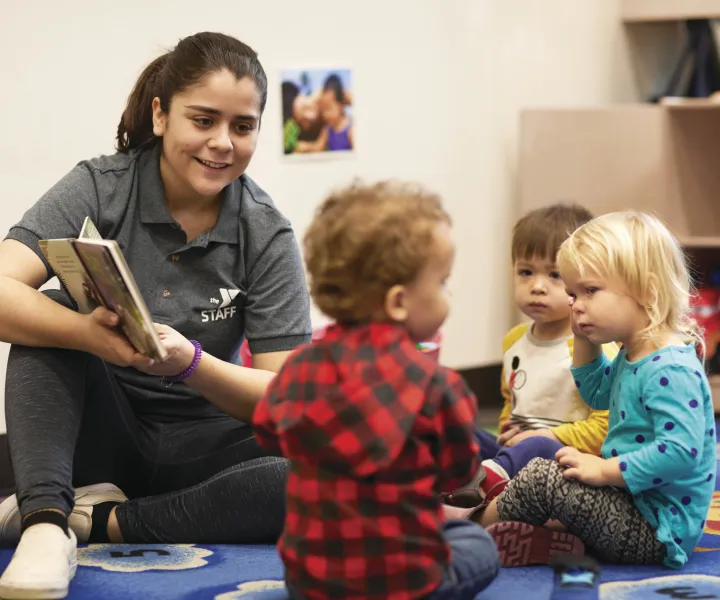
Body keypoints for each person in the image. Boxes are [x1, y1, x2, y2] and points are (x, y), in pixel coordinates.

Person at [0, 31, 311, 599]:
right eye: (203, 120)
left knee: (315, 475)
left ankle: (97, 521)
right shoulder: (100, 185)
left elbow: (286, 398)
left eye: (242, 127)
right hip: (101, 438)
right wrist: (88, 336)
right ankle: (45, 523)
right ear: (161, 114)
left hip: (209, 452)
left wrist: (190, 365)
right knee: (50, 307)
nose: (222, 143)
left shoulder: (266, 231)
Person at [252, 181, 500, 600]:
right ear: (399, 302)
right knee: (477, 544)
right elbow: (458, 472)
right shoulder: (436, 386)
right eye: (442, 283)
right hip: (403, 584)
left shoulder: (300, 369)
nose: (447, 295)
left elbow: (268, 432)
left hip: (310, 582)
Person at [473, 211, 715, 569]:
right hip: (629, 500)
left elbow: (680, 452)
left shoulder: (670, 368)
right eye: (572, 294)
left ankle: (468, 528)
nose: (576, 304)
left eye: (590, 291)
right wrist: (584, 340)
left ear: (646, 291)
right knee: (553, 471)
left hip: (656, 530)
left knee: (544, 477)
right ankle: (535, 533)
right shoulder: (637, 351)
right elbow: (598, 394)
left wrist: (604, 471)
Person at [444, 204, 616, 509]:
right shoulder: (514, 340)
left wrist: (545, 435)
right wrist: (508, 430)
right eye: (526, 272)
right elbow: (512, 399)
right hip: (516, 454)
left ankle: (474, 502)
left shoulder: (596, 346)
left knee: (537, 444)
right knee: (459, 431)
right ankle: (451, 488)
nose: (536, 287)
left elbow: (606, 428)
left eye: (554, 275)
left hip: (567, 462)